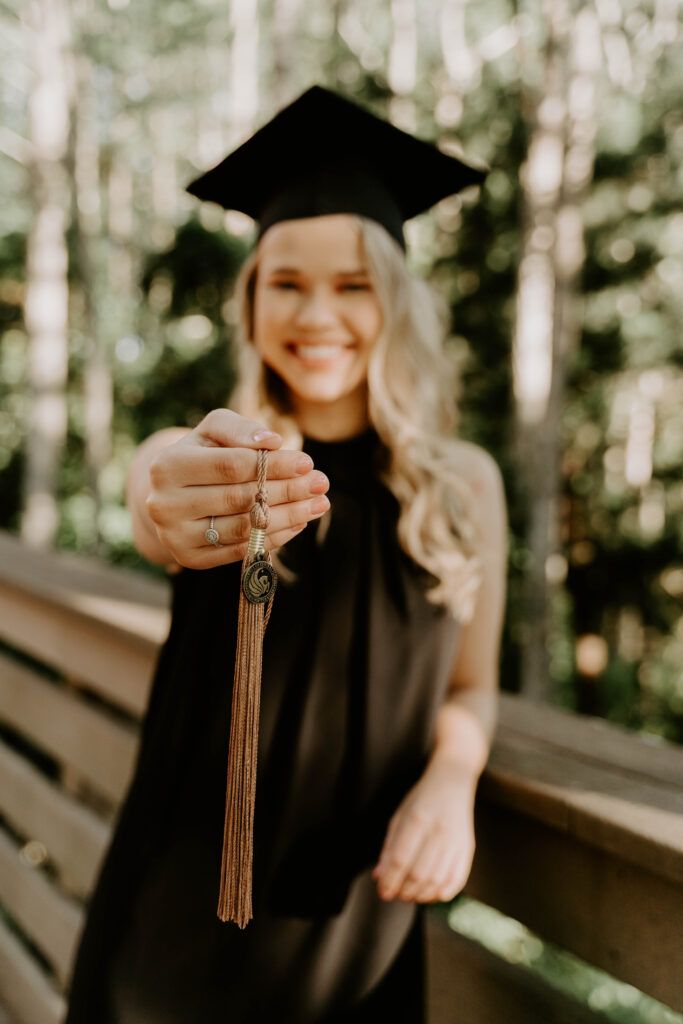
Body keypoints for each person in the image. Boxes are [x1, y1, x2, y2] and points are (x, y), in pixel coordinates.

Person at [64, 84, 508, 1022]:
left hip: (356, 922)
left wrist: (451, 782)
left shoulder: (461, 486)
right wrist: (168, 494)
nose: (318, 314)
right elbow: (160, 495)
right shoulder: (221, 460)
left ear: (396, 300)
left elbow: (468, 685)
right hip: (180, 923)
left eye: (353, 284)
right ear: (252, 301)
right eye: (287, 282)